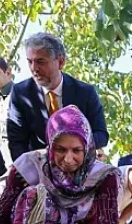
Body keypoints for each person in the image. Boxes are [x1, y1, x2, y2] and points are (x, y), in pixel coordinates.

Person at [7, 32, 108, 162]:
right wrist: (28, 172)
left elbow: (101, 135)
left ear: (60, 62)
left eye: (40, 62)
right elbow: (16, 142)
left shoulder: (85, 92)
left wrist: (75, 148)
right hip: (37, 170)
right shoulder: (20, 93)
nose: (34, 68)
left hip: (77, 167)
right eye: (30, 62)